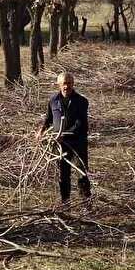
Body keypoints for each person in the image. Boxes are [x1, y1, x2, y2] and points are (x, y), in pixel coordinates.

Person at [37, 71, 91, 206]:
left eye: (69, 83)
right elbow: (48, 118)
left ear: (73, 84)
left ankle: (87, 204)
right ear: (59, 84)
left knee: (81, 173)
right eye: (64, 84)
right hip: (60, 145)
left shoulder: (81, 101)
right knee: (63, 175)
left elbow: (81, 124)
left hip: (78, 143)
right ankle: (65, 204)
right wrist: (41, 131)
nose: (67, 86)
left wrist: (64, 134)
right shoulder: (53, 100)